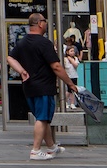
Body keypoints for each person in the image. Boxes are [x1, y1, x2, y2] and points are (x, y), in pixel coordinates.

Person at [7, 13, 79, 160]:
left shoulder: (23, 42)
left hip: (29, 86)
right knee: (42, 118)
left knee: (42, 117)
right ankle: (36, 150)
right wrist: (70, 83)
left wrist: (21, 71)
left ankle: (51, 147)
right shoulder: (44, 43)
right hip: (44, 86)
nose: (46, 24)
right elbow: (57, 66)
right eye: (45, 21)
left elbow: (10, 58)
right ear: (40, 23)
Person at [62, 36, 83, 105]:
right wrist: (69, 59)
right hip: (68, 76)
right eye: (71, 51)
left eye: (73, 51)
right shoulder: (65, 59)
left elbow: (76, 65)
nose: (73, 52)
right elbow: (66, 67)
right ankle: (65, 102)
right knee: (68, 90)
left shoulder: (75, 58)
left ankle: (72, 103)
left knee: (73, 90)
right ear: (67, 52)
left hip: (74, 75)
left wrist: (71, 59)